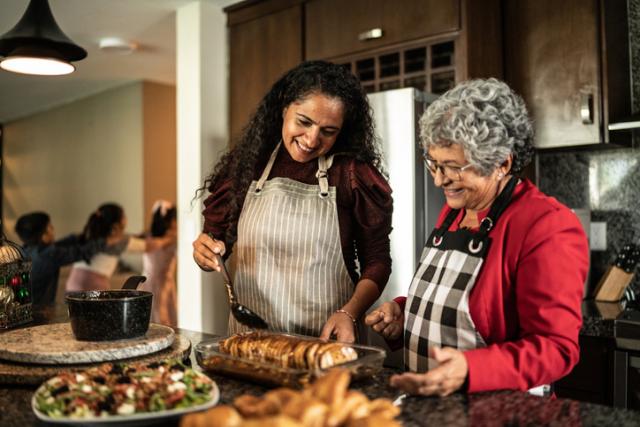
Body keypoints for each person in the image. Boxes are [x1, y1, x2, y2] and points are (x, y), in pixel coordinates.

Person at [365, 78, 589, 396]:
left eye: (453, 167)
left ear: (501, 164)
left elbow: (556, 349)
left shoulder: (546, 226)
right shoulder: (455, 211)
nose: (439, 180)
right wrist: (404, 315)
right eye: (433, 163)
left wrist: (472, 369)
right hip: (435, 408)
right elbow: (453, 305)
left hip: (503, 412)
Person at [192, 60, 393, 342]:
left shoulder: (351, 174)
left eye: (328, 131)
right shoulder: (249, 165)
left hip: (327, 343)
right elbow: (215, 244)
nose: (312, 139)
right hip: (250, 344)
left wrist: (350, 313)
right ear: (285, 108)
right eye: (304, 122)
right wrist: (206, 253)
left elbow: (377, 260)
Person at [14, 211, 122, 306]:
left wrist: (80, 236)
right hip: (36, 309)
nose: (53, 229)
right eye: (50, 227)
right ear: (44, 235)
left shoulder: (27, 249)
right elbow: (80, 252)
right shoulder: (47, 255)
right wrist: (107, 241)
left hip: (25, 306)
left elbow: (61, 244)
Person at [65, 203, 171, 292]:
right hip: (93, 287)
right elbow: (149, 246)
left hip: (72, 284)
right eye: (124, 215)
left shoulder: (91, 234)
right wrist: (171, 239)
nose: (126, 218)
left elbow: (131, 237)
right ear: (117, 223)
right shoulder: (118, 240)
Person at [141, 200, 178, 327]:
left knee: (162, 314)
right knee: (152, 314)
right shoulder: (150, 237)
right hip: (147, 281)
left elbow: (156, 245)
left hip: (164, 283)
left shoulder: (171, 238)